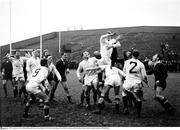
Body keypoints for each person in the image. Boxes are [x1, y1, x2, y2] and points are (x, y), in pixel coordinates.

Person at [122, 49, 147, 117]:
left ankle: (125, 108)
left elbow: (124, 72)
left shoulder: (126, 62)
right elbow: (144, 76)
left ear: (132, 55)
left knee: (124, 94)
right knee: (139, 98)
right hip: (136, 83)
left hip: (128, 82)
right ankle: (138, 114)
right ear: (138, 55)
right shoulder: (141, 64)